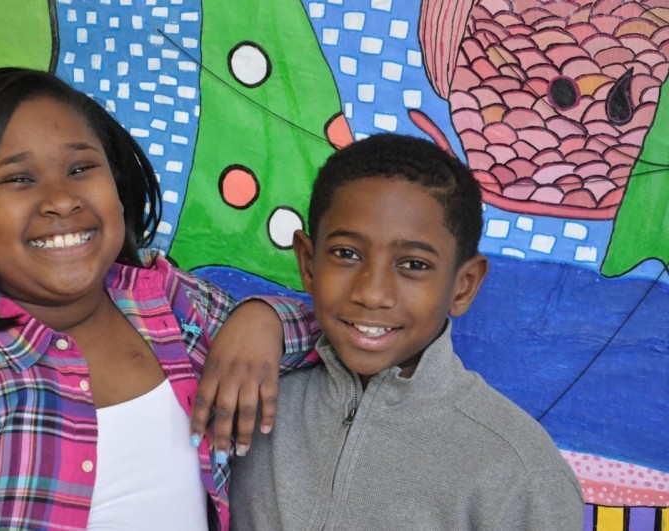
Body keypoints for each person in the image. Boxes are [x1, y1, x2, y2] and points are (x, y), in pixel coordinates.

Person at [0, 67, 320, 530]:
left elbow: (333, 323)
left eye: (81, 168)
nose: (62, 200)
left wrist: (260, 319)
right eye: (19, 179)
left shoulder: (168, 303)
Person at [230, 133, 585, 530]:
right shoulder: (248, 394)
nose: (372, 293)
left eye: (413, 264)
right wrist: (257, 315)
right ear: (309, 264)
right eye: (347, 254)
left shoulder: (517, 471)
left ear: (463, 285)